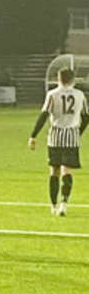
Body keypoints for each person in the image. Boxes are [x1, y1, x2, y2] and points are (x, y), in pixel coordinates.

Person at [28, 67, 89, 216]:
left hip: (55, 136)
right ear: (73, 79)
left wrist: (33, 135)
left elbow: (44, 115)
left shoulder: (53, 94)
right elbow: (86, 116)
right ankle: (64, 203)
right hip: (71, 136)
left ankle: (53, 205)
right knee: (66, 171)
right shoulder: (80, 95)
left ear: (59, 78)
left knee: (54, 171)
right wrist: (78, 132)